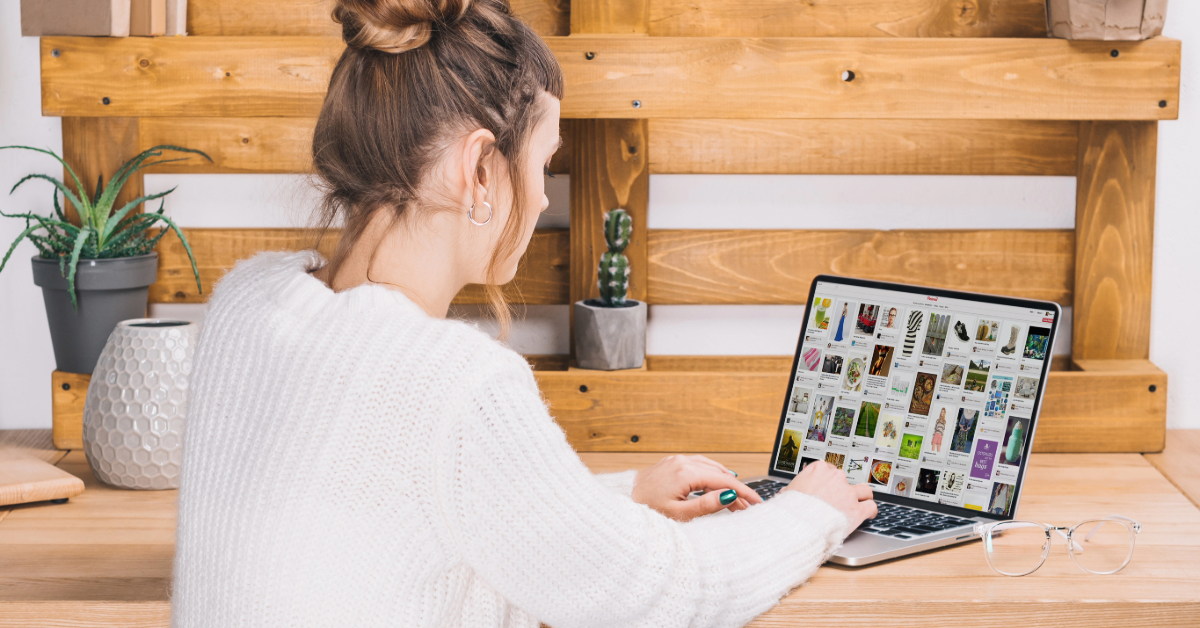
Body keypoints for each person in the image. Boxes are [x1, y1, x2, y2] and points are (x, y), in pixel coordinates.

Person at [169, 1, 876, 626]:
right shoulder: (451, 382)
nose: (541, 199)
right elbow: (667, 593)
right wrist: (810, 511)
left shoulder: (245, 302)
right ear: (479, 169)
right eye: (542, 162)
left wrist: (620, 495)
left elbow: (389, 508)